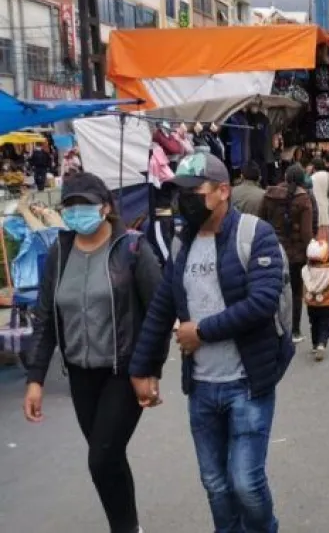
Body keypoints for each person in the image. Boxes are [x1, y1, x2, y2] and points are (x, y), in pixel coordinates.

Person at [129, 152, 293, 533]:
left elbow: (261, 302)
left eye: (193, 191)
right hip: (202, 387)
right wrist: (141, 368)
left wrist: (200, 332)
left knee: (245, 483)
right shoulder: (181, 244)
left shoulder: (255, 234)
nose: (183, 200)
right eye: (179, 191)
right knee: (215, 485)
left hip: (247, 383)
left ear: (223, 191)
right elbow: (160, 308)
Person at [23, 172, 162, 533]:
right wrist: (35, 379)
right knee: (109, 457)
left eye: (84, 205)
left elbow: (159, 311)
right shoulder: (60, 252)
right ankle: (129, 526)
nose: (76, 213)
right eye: (69, 206)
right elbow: (45, 317)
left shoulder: (131, 248)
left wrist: (150, 369)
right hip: (81, 375)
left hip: (124, 371)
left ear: (105, 207)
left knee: (101, 458)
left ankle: (125, 529)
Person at [260, 163, 313, 343]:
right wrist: (311, 252)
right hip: (296, 254)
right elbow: (306, 233)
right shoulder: (303, 198)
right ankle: (295, 330)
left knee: (273, 290)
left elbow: (261, 221)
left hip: (272, 251)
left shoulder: (269, 195)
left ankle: (273, 328)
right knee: (296, 292)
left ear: (285, 177)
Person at [302, 239, 329, 361]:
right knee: (325, 324)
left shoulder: (307, 271)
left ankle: (315, 344)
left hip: (311, 304)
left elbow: (304, 287)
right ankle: (322, 343)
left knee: (313, 323)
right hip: (326, 304)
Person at [309, 158, 329, 242]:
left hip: (316, 209)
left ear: (314, 166)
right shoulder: (328, 175)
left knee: (319, 240)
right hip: (326, 208)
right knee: (326, 237)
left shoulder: (312, 178)